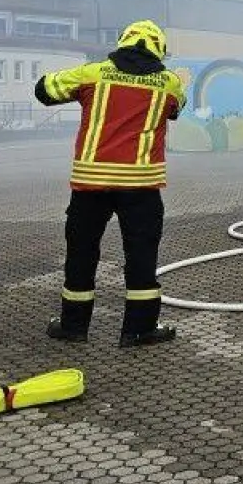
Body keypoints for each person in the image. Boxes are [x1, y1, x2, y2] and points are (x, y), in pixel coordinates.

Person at [33, 19, 186, 347]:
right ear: (159, 49)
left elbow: (43, 90)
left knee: (81, 254)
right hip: (141, 187)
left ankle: (73, 327)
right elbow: (176, 110)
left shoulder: (93, 73)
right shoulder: (169, 83)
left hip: (90, 185)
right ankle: (139, 330)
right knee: (141, 257)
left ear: (122, 42)